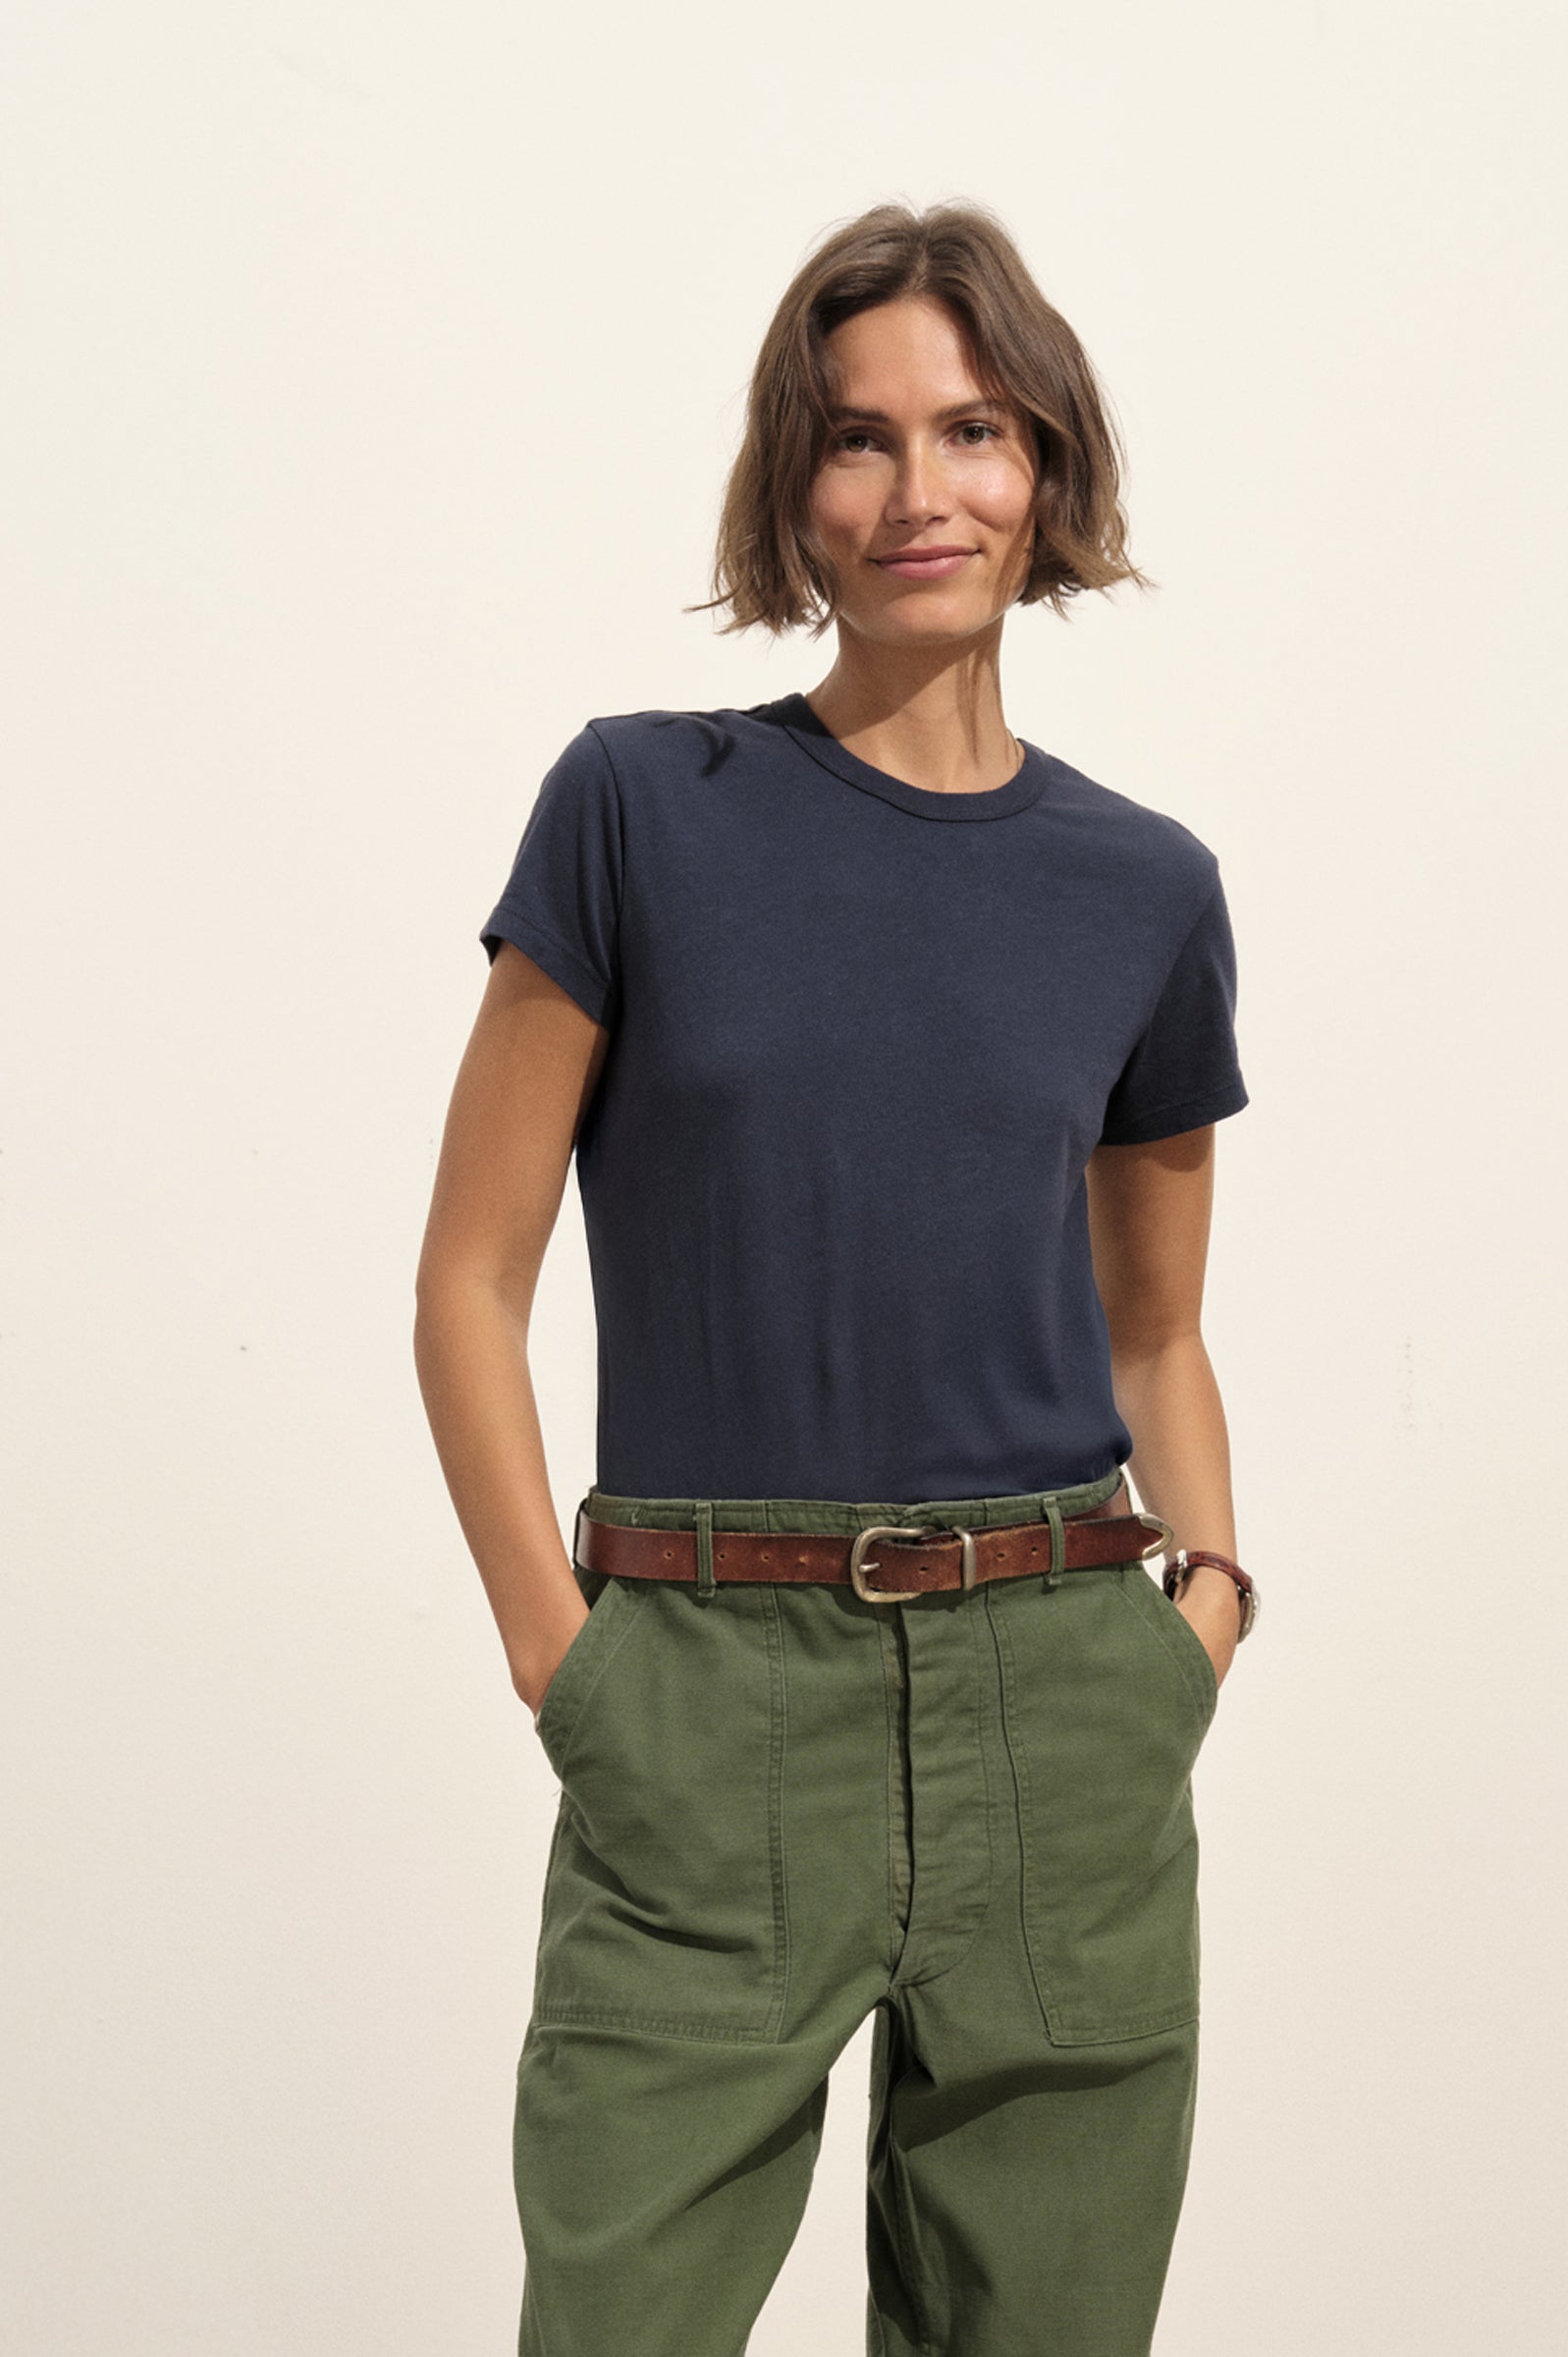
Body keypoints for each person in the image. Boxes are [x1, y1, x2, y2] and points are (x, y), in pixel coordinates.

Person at [413, 196, 1259, 2357]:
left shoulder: (1143, 888)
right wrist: (563, 1661)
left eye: (972, 430)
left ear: (1045, 466)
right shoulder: (639, 809)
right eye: (858, 437)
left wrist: (1205, 1615)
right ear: (794, 486)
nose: (918, 491)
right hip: (704, 1699)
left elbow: (1156, 1324)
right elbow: (469, 1279)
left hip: (1066, 1704)